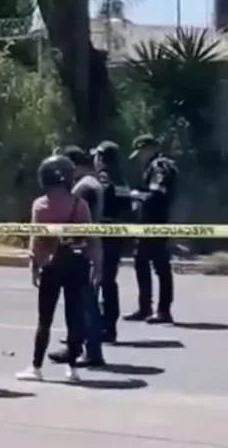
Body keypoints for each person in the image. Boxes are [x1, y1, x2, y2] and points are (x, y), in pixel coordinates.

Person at [16, 155, 101, 383]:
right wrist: (97, 265)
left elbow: (37, 239)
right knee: (74, 316)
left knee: (45, 319)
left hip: (51, 267)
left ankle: (36, 367)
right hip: (77, 266)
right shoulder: (79, 204)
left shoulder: (40, 205)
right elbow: (91, 238)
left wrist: (34, 266)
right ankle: (72, 368)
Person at [47, 146, 106, 368]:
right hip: (89, 248)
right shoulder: (92, 183)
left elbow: (80, 223)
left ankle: (89, 351)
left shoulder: (84, 188)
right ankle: (78, 347)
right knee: (84, 303)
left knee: (85, 304)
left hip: (81, 251)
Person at [125, 134, 179, 325]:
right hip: (147, 223)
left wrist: (135, 195)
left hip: (155, 224)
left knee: (160, 267)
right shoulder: (153, 166)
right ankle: (145, 307)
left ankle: (163, 311)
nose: (139, 157)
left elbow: (157, 194)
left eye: (142, 152)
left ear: (151, 149)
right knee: (141, 263)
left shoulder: (159, 166)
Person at [92, 141, 133, 342]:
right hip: (117, 236)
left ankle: (100, 327)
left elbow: (100, 206)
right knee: (108, 281)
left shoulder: (103, 179)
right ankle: (109, 327)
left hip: (103, 236)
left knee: (98, 281)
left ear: (101, 158)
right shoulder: (122, 180)